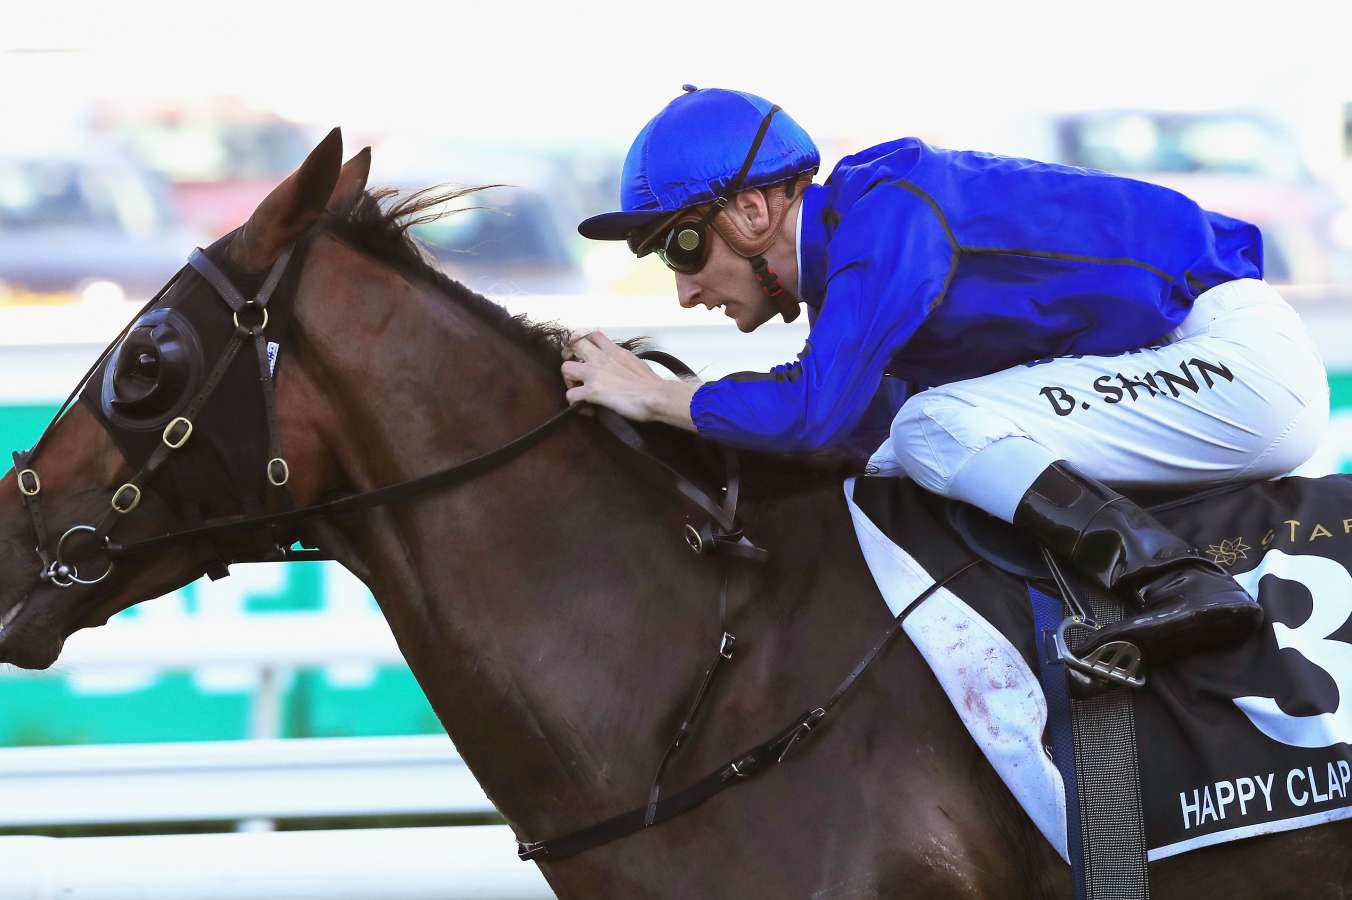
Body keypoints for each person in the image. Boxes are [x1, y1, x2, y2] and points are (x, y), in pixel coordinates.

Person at [565, 85, 1329, 664]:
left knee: (933, 427)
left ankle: (1176, 580)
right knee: (910, 448)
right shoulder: (859, 262)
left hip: (1234, 366)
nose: (684, 291)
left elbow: (810, 414)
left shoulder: (886, 218)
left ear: (754, 212)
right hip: (1188, 367)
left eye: (683, 248)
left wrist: (657, 395)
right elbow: (851, 447)